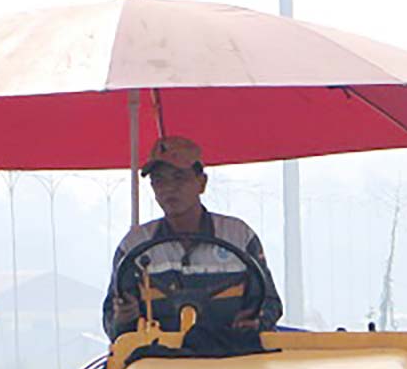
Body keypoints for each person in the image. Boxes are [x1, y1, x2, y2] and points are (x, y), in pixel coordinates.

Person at [102, 136, 283, 340]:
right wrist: (124, 319)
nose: (169, 188)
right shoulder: (134, 245)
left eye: (179, 177)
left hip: (232, 356)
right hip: (157, 362)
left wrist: (257, 322)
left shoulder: (239, 237)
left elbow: (270, 303)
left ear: (201, 182)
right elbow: (113, 322)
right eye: (159, 181)